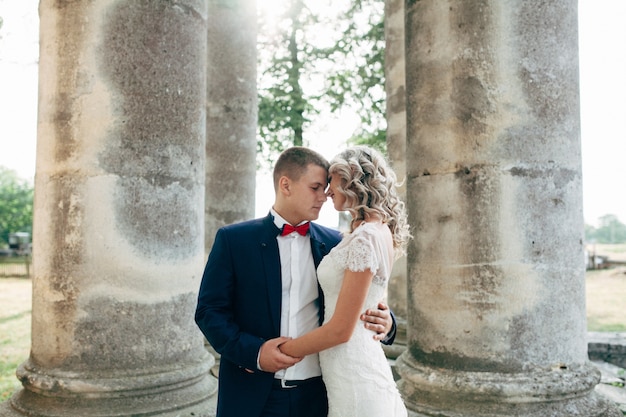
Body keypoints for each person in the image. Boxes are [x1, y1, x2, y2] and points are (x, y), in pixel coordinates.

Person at [195, 146, 397, 417]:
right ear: (286, 185)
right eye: (315, 187)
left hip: (318, 396)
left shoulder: (338, 244)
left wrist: (388, 322)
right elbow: (209, 312)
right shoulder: (233, 240)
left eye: (326, 188)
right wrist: (253, 353)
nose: (324, 197)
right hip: (252, 393)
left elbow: (358, 298)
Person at [278, 146, 411, 417]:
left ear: (352, 179)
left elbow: (342, 328)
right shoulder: (365, 234)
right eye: (319, 185)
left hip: (354, 371)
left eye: (332, 181)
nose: (327, 192)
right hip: (343, 372)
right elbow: (369, 301)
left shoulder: (366, 238)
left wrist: (279, 351)